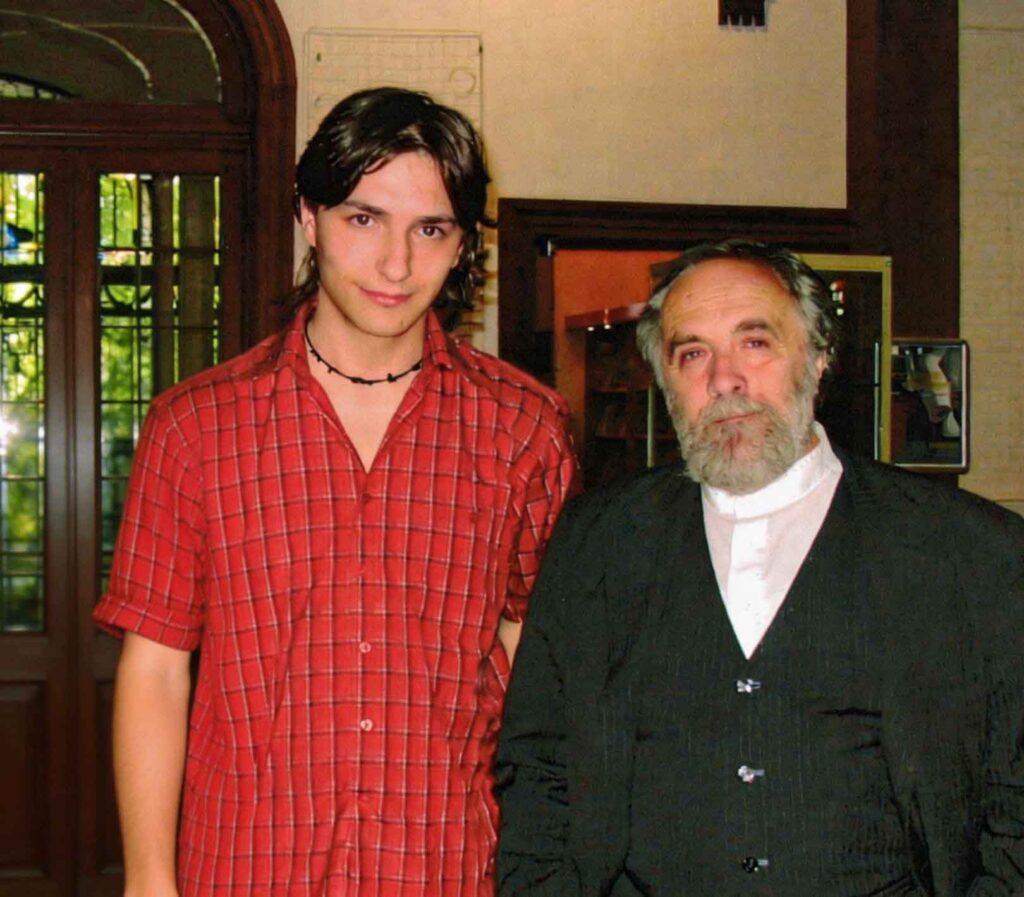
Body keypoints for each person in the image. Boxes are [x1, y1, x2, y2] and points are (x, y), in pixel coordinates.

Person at [94, 87, 577, 897]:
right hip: (248, 869)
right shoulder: (196, 427)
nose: (396, 264)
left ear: (463, 245)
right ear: (308, 219)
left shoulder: (525, 429)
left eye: (430, 229)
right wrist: (148, 880)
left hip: (448, 867)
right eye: (364, 219)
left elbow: (539, 659)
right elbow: (156, 668)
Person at [496, 239, 1024, 896]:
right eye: (693, 354)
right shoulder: (594, 544)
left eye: (755, 343)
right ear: (664, 380)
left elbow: (1014, 801)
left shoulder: (971, 553)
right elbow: (538, 770)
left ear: (819, 358)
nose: (725, 379)